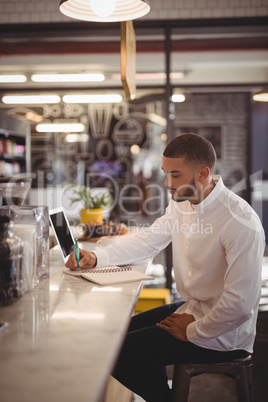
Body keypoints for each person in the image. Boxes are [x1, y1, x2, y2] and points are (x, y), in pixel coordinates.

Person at [66, 134, 265, 402]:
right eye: (165, 173)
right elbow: (149, 240)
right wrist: (96, 257)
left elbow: (239, 306)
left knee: (113, 352)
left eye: (175, 174)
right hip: (193, 308)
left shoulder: (240, 222)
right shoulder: (182, 201)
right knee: (114, 335)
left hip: (225, 333)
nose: (167, 183)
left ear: (203, 173)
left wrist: (193, 330)